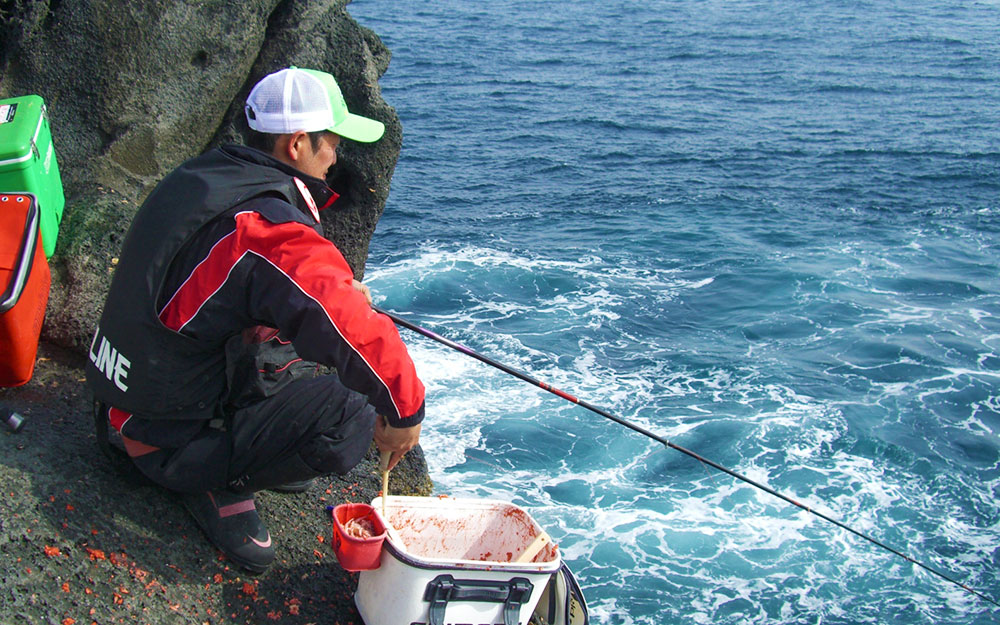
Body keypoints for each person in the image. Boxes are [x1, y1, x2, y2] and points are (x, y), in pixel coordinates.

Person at [84, 67, 425, 574]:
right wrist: (405, 414)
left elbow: (211, 291)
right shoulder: (267, 229)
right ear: (297, 144)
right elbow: (354, 327)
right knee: (352, 409)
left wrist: (310, 303)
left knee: (291, 347)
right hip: (161, 439)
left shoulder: (203, 179)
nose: (336, 155)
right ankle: (215, 480)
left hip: (118, 400)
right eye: (331, 141)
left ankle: (221, 451)